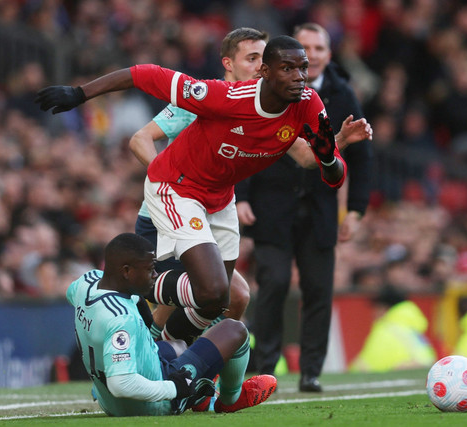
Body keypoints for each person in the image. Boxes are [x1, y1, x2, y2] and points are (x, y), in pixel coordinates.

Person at [37, 36, 371, 347]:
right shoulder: (222, 97)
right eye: (288, 68)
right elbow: (146, 75)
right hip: (177, 187)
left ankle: (172, 350)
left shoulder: (308, 103)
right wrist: (80, 93)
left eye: (303, 69)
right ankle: (115, 285)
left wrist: (330, 154)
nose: (300, 76)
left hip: (220, 197)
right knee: (211, 289)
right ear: (264, 72)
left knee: (219, 299)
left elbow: (331, 173)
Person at [130, 28, 374, 342]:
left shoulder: (270, 108)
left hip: (211, 212)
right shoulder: (203, 97)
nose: (261, 65)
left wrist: (336, 141)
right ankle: (150, 356)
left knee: (235, 297)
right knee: (197, 293)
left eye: (264, 57)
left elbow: (305, 156)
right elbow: (140, 139)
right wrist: (177, 186)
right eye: (253, 58)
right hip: (169, 212)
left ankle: (185, 365)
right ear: (229, 63)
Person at [234, 23, 372, 392]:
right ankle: (264, 368)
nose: (307, 57)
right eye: (302, 47)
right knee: (274, 283)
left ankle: (310, 371)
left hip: (321, 208)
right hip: (271, 203)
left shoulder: (343, 94)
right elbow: (245, 137)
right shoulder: (264, 88)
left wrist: (356, 209)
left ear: (326, 54)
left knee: (317, 290)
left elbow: (362, 157)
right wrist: (242, 194)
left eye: (317, 49)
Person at [67, 232, 276, 416]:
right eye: (150, 269)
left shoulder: (87, 283)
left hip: (109, 400)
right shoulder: (121, 319)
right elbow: (121, 384)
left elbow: (74, 295)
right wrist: (174, 388)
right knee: (235, 329)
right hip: (149, 405)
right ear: (126, 271)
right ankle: (230, 400)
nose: (155, 274)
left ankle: (200, 395)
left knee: (178, 346)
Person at [348, 285, 436, 373]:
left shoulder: (385, 329)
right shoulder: (410, 328)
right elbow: (428, 359)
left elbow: (365, 366)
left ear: (383, 308)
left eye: (376, 308)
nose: (373, 314)